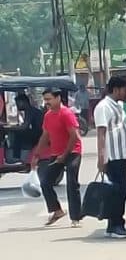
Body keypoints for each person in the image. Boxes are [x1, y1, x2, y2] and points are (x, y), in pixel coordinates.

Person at [90, 70, 126, 239]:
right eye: (125, 89)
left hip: (121, 157)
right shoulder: (103, 107)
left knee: (120, 191)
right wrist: (102, 158)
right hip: (113, 157)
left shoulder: (119, 105)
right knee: (118, 192)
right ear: (116, 89)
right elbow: (101, 133)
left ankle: (113, 225)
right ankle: (117, 225)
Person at [31, 87, 83, 226]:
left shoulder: (66, 114)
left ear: (58, 98)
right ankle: (57, 210)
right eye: (45, 100)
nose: (46, 102)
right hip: (56, 153)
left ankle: (76, 217)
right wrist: (36, 154)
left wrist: (65, 155)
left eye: (49, 99)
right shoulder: (48, 115)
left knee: (72, 183)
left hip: (72, 152)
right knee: (46, 182)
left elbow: (74, 136)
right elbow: (45, 135)